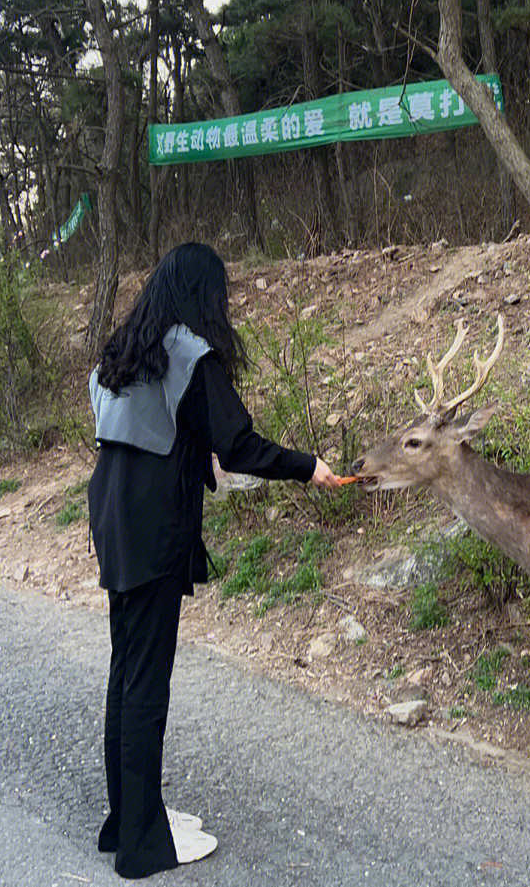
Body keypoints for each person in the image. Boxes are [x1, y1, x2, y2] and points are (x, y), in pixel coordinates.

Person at [87, 242, 340, 879]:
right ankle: (142, 846)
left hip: (111, 519)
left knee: (126, 671)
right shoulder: (188, 356)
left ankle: (126, 819)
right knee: (146, 684)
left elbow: (157, 437)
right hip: (152, 530)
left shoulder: (122, 353)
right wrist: (309, 468)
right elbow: (238, 445)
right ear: (204, 295)